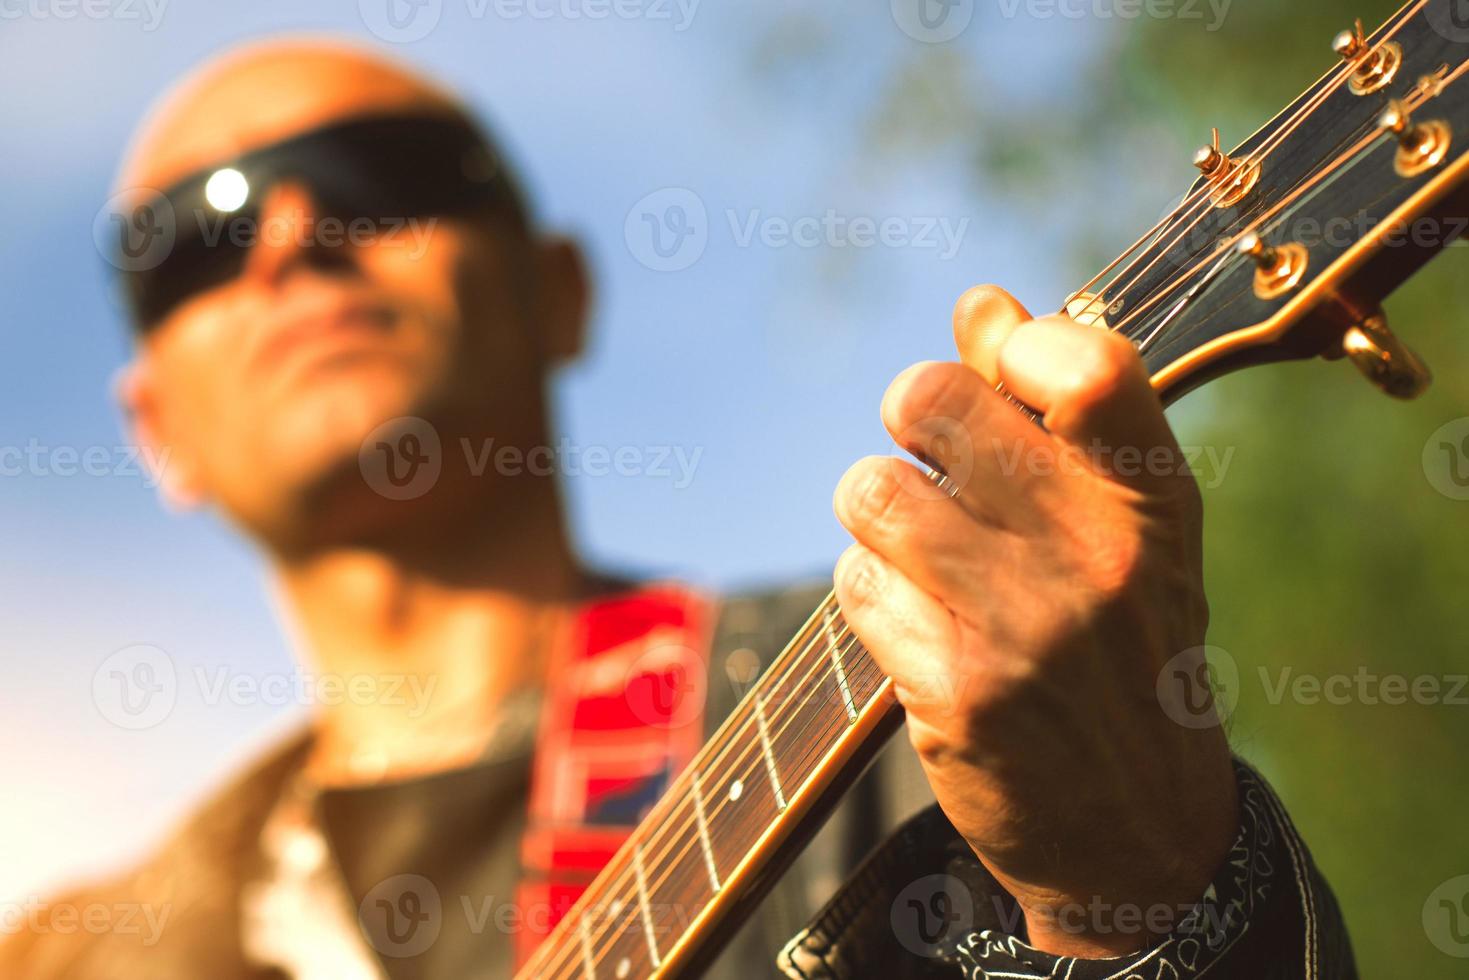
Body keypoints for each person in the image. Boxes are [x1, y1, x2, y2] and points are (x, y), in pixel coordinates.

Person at [3, 37, 1354, 979]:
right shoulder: (83, 955)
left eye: (379, 178)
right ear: (156, 432)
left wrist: (1146, 885)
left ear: (562, 293)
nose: (293, 241)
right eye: (196, 239)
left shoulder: (933, 691)